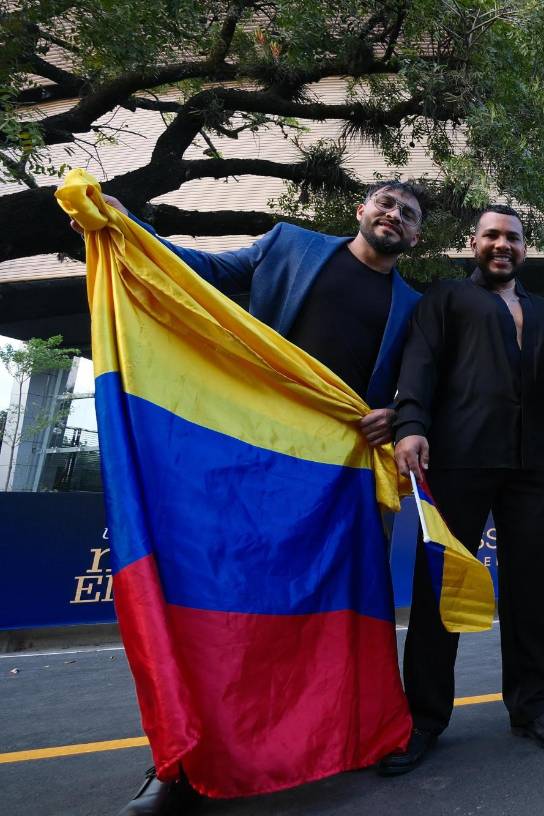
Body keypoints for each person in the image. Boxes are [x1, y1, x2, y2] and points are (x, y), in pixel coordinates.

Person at [72, 182, 427, 815]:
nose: (393, 217)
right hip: (255, 462)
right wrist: (130, 230)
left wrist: (396, 412)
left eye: (408, 215)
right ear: (360, 211)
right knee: (226, 610)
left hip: (340, 476)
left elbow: (424, 382)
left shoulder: (415, 305)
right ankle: (178, 765)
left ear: (416, 237)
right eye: (385, 204)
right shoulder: (287, 244)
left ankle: (359, 735)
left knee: (346, 614)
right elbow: (202, 271)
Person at [383, 204, 544, 776]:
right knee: (440, 587)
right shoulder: (444, 300)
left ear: (526, 247)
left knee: (536, 590)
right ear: (474, 243)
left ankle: (535, 706)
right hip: (458, 461)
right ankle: (422, 718)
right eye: (492, 236)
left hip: (535, 465)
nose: (502, 245)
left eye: (513, 238)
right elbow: (418, 366)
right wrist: (411, 425)